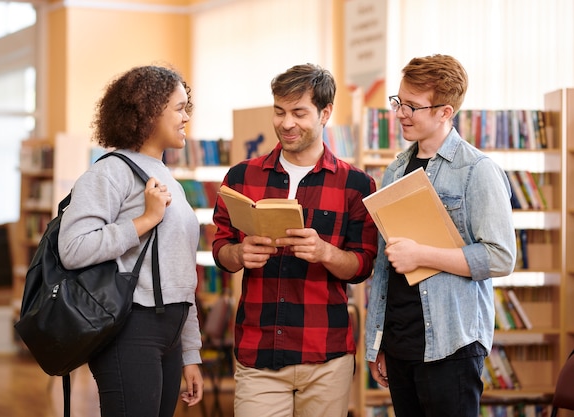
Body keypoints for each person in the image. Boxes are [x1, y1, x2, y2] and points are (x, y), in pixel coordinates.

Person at [212, 63, 378, 417]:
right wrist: (239, 253)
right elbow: (219, 250)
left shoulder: (357, 185)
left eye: (299, 113)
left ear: (325, 113)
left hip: (326, 357)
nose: (286, 123)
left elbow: (363, 265)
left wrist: (325, 252)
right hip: (258, 352)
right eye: (279, 111)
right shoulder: (242, 176)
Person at [365, 54, 517, 417]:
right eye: (398, 101)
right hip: (401, 343)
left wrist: (423, 256)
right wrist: (378, 343)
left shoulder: (477, 170)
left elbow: (500, 257)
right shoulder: (396, 169)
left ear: (445, 112)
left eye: (412, 107)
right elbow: (386, 268)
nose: (400, 113)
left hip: (452, 344)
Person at [58, 65, 204, 417]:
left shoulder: (170, 178)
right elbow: (73, 248)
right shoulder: (110, 172)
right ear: (150, 111)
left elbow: (180, 274)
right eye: (179, 108)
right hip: (131, 328)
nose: (186, 117)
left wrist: (190, 353)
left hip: (170, 330)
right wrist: (145, 220)